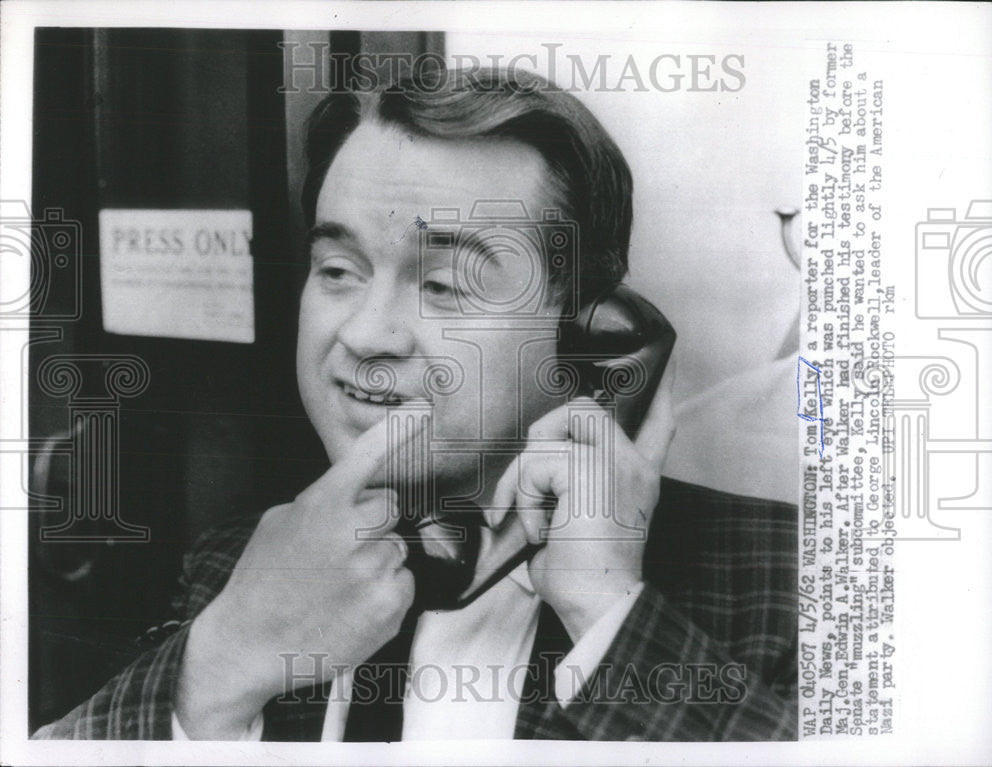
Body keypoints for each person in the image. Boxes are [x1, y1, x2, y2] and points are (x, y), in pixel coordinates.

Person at [32, 67, 797, 742]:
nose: (364, 334)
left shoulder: (781, 579)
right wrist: (222, 658)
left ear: (584, 336)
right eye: (338, 269)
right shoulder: (236, 568)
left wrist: (610, 616)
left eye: (443, 286)